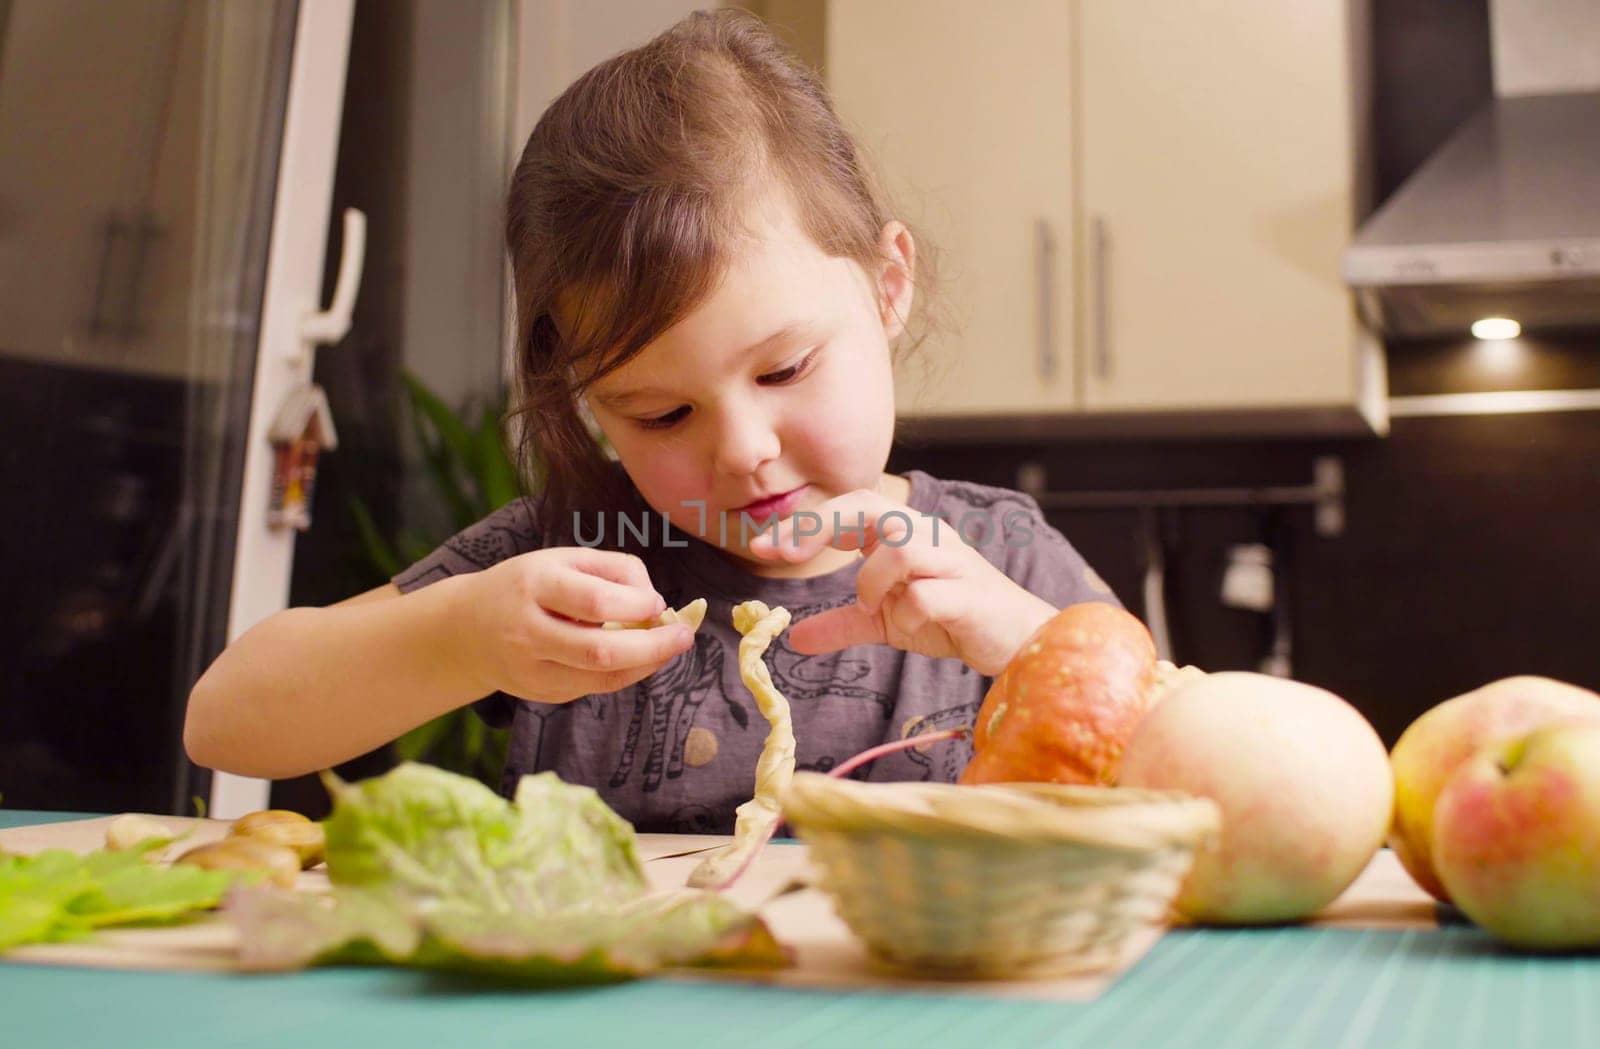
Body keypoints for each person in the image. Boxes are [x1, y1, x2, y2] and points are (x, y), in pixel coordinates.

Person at [184, 10, 1120, 833]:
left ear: (889, 287)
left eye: (785, 367)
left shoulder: (999, 554)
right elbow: (225, 718)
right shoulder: (580, 550)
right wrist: (460, 637)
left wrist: (1039, 649)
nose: (744, 451)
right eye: (662, 412)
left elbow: (1207, 775)